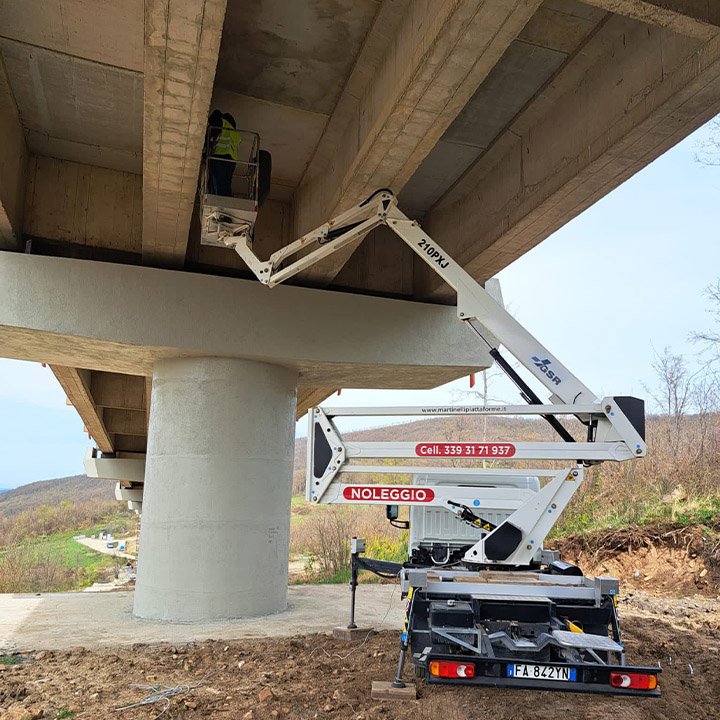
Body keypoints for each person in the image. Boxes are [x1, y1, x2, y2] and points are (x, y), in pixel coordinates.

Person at [207, 109, 240, 196]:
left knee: (216, 180)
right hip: (231, 160)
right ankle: (226, 198)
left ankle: (216, 197)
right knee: (226, 182)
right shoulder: (235, 132)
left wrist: (206, 147)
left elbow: (212, 132)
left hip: (220, 156)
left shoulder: (221, 121)